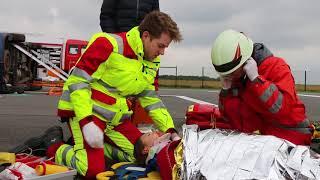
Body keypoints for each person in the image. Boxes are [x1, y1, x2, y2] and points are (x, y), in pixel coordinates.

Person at [48, 11, 182, 178]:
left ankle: (94, 148)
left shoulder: (152, 60)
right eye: (161, 46)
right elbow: (77, 82)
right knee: (92, 170)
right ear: (146, 36)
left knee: (141, 155)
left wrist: (170, 130)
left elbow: (151, 100)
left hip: (116, 118)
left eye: (166, 47)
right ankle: (53, 145)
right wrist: (87, 122)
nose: (162, 52)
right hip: (87, 113)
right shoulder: (107, 44)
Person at [210, 29, 313, 145]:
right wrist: (226, 92)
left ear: (245, 60)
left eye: (232, 72)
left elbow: (282, 109)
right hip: (262, 140)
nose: (229, 76)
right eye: (225, 74)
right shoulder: (237, 78)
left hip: (290, 137)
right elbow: (234, 121)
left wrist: (257, 80)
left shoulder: (275, 66)